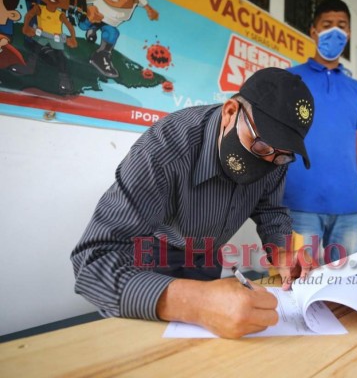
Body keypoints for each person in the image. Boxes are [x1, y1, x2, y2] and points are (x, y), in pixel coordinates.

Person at [71, 67, 315, 338]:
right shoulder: (163, 150)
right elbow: (92, 264)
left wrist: (280, 251)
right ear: (230, 112)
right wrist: (195, 302)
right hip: (153, 258)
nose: (269, 160)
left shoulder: (275, 155)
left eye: (282, 156)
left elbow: (269, 209)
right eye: (260, 147)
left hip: (208, 257)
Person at [283, 0, 357, 266]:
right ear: (313, 31)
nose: (335, 32)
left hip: (349, 207)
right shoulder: (290, 79)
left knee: (343, 288)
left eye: (342, 26)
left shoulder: (356, 89)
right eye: (327, 25)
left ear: (348, 34)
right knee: (299, 286)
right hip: (299, 203)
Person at [80, 0, 159, 78]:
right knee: (84, 23)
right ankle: (91, 29)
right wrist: (86, 10)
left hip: (109, 24)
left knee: (113, 33)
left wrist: (149, 10)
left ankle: (101, 55)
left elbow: (142, 1)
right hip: (94, 16)